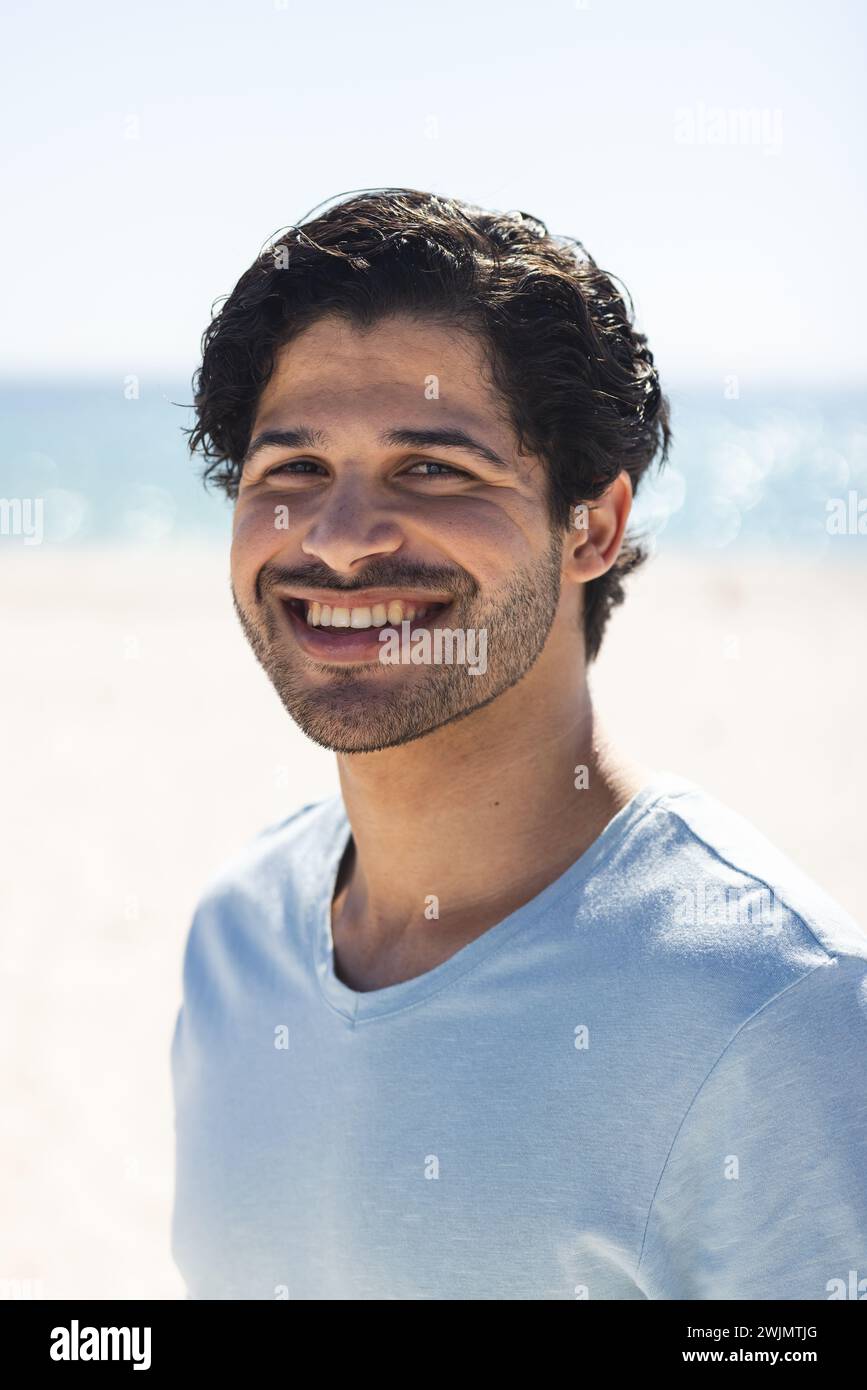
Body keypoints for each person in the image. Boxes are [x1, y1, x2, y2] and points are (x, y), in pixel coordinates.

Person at [170, 188, 867, 1300]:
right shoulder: (235, 939)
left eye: (433, 469)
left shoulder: (774, 1010)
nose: (341, 541)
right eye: (292, 470)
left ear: (591, 526)